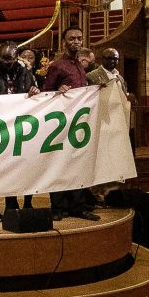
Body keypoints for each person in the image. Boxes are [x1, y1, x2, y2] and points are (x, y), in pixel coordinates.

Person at [42, 26, 101, 222]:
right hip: (61, 123)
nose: (76, 41)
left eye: (79, 38)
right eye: (72, 38)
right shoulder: (57, 66)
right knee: (59, 164)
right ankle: (58, 207)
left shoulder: (80, 67)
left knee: (77, 163)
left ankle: (78, 206)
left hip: (79, 123)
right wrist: (59, 90)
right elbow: (46, 93)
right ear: (64, 42)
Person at [0, 41, 38, 221]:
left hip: (19, 126)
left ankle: (12, 202)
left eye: (10, 58)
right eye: (3, 58)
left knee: (15, 167)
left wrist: (34, 90)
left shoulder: (24, 73)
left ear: (16, 58)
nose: (6, 62)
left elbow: (31, 90)